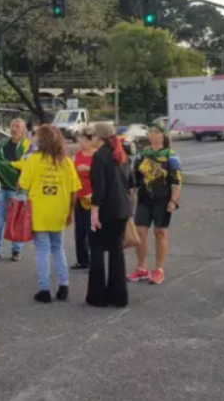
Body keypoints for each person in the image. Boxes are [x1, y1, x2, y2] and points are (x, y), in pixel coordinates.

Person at [18, 125, 80, 303]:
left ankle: (44, 289)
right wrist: (70, 212)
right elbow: (74, 191)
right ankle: (63, 285)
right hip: (59, 210)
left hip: (39, 210)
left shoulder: (33, 160)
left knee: (42, 250)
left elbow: (23, 185)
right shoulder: (66, 162)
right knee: (58, 248)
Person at [129, 122, 182, 285]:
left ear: (163, 135)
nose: (152, 135)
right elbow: (134, 177)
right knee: (140, 234)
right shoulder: (142, 153)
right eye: (150, 132)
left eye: (156, 132)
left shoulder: (171, 155)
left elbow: (177, 180)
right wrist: (129, 195)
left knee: (160, 233)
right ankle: (141, 267)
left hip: (163, 200)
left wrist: (173, 200)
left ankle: (159, 269)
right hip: (144, 199)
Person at [87, 124, 132, 308]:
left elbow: (99, 187)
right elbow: (131, 183)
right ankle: (118, 295)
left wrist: (94, 212)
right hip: (123, 208)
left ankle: (97, 296)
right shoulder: (121, 155)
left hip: (107, 209)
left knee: (97, 250)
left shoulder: (99, 156)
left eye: (93, 135)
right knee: (116, 251)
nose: (91, 138)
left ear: (99, 137)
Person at [0, 118, 32, 262]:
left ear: (23, 130)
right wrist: (12, 167)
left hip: (18, 188)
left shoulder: (27, 145)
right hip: (2, 187)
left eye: (18, 126)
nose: (14, 128)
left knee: (17, 220)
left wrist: (5, 165)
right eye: (13, 125)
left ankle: (16, 250)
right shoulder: (3, 144)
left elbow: (25, 166)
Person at [72, 127, 97, 270]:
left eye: (84, 140)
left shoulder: (97, 156)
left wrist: (88, 169)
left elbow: (104, 175)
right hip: (79, 196)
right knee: (79, 230)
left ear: (91, 140)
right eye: (80, 140)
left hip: (92, 197)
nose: (81, 143)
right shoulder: (77, 155)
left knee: (91, 230)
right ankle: (82, 260)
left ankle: (95, 260)